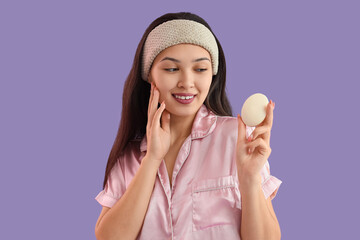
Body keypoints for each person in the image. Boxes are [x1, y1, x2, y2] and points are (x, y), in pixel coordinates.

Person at [94, 11, 282, 240]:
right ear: (149, 76)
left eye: (200, 69)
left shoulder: (238, 140)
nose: (187, 82)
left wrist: (250, 179)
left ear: (212, 75)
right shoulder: (129, 157)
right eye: (171, 69)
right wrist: (151, 160)